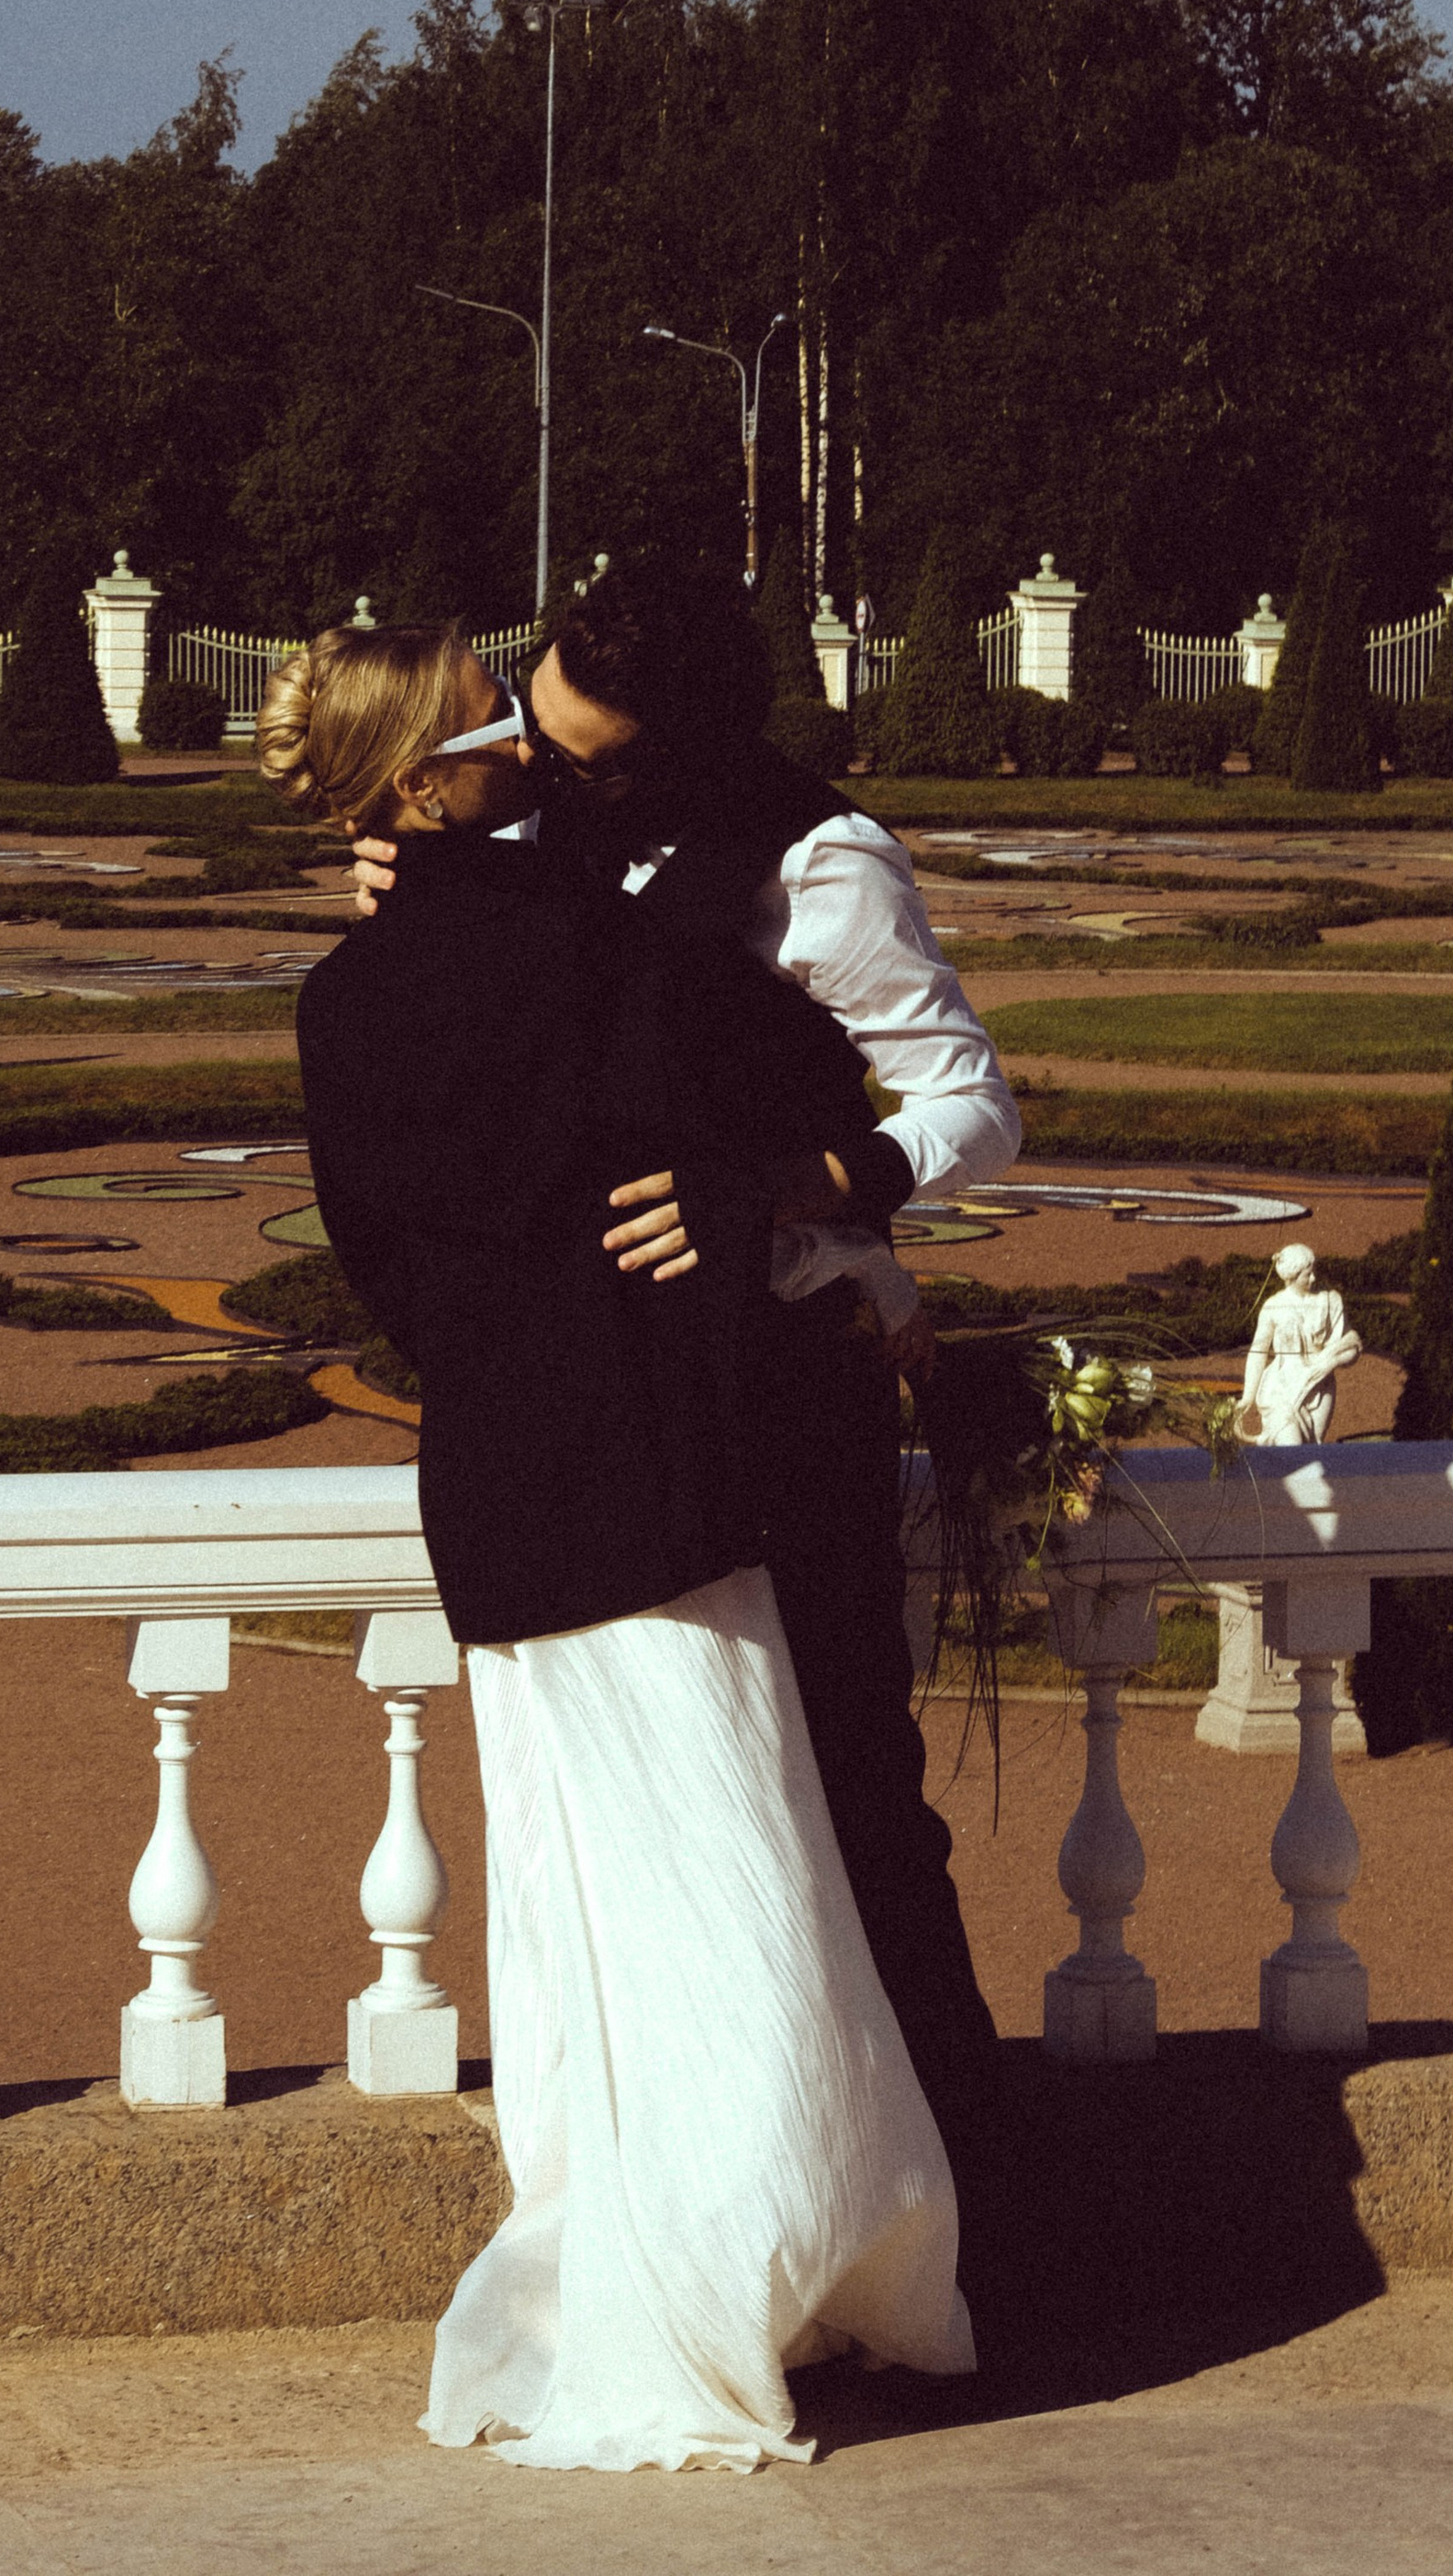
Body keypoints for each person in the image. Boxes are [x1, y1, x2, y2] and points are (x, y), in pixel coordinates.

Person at [276, 622, 974, 2474]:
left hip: (495, 1495)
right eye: (495, 712)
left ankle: (649, 2269)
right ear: (440, 771)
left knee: (583, 1931)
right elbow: (807, 1085)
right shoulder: (606, 946)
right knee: (741, 1909)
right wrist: (807, 1219)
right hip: (659, 1477)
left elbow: (382, 1277)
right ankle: (738, 2290)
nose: (531, 734)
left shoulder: (336, 999)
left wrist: (409, 874)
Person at [1239, 1241, 1361, 1445]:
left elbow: (1352, 1345)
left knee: (1311, 1449)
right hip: (1282, 1388)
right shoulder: (1274, 1306)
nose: (1313, 1278)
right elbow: (1258, 1351)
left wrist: (1331, 1363)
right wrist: (1247, 1397)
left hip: (1320, 1388)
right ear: (1291, 1277)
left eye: (1313, 1272)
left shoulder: (1330, 1301)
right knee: (1290, 1445)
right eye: (1307, 1275)